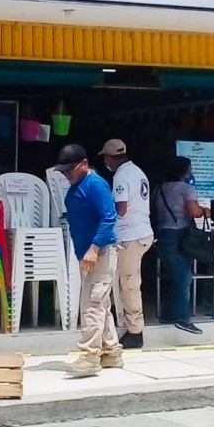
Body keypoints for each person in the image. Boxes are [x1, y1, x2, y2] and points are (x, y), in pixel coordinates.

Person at [56, 144, 120, 377]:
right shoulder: (79, 185)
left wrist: (93, 249)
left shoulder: (95, 185)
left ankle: (89, 356)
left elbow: (109, 217)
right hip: (89, 253)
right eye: (63, 172)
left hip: (100, 251)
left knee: (92, 304)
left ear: (84, 164)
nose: (66, 175)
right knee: (100, 303)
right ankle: (111, 352)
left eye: (70, 170)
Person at [99, 139, 153, 349]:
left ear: (109, 158)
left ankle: (135, 332)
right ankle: (127, 324)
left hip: (131, 236)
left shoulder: (121, 175)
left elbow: (121, 209)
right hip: (142, 233)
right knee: (126, 282)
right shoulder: (138, 172)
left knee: (128, 285)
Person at [152, 156, 210, 335]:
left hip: (161, 235)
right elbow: (194, 212)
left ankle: (168, 314)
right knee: (184, 275)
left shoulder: (158, 189)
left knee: (179, 274)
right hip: (179, 235)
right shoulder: (186, 188)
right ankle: (182, 318)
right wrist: (205, 210)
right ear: (184, 171)